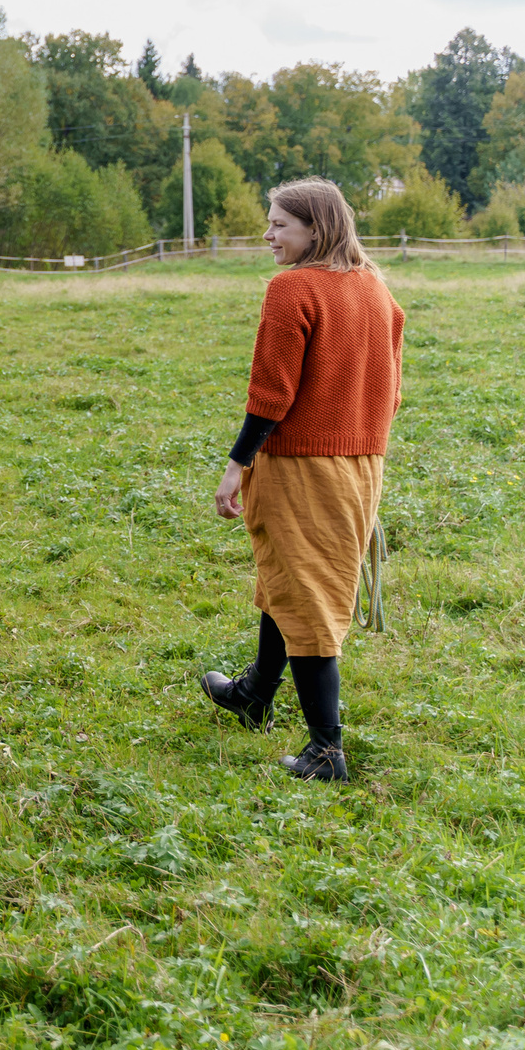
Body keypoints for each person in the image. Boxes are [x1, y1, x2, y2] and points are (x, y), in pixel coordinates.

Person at [199, 177, 404, 781]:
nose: (267, 234)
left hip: (302, 462)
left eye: (279, 224)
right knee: (290, 573)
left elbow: (271, 394)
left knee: (307, 591)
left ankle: (327, 752)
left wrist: (237, 465)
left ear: (316, 227)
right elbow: (392, 391)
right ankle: (255, 694)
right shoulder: (376, 288)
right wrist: (357, 436)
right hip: (362, 462)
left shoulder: (292, 290)